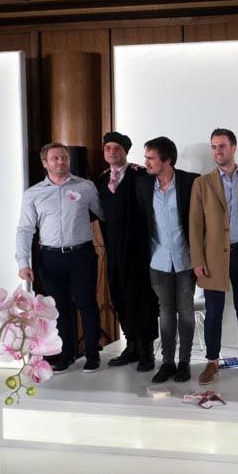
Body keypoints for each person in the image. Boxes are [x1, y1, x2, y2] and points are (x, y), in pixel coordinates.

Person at [16, 142, 104, 373]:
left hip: (82, 255)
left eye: (64, 157)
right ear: (45, 163)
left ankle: (92, 354)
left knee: (87, 304)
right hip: (50, 257)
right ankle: (67, 354)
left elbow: (104, 214)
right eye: (55, 158)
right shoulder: (33, 193)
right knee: (60, 307)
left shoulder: (85, 187)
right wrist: (23, 262)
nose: (61, 162)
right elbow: (25, 229)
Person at [190, 128, 238, 385]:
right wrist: (197, 259)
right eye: (214, 147)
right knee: (213, 313)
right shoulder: (202, 183)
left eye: (222, 146)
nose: (217, 151)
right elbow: (195, 225)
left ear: (233, 147)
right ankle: (212, 362)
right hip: (212, 258)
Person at [135, 137, 199, 383]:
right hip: (158, 260)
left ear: (167, 160)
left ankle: (184, 362)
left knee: (186, 312)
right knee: (166, 313)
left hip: (185, 260)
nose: (146, 163)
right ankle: (168, 362)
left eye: (151, 158)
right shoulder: (143, 185)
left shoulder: (190, 182)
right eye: (146, 158)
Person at [96, 131, 159, 373]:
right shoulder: (101, 180)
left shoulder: (140, 175)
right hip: (114, 249)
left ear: (125, 151)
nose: (111, 152)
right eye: (107, 148)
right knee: (120, 296)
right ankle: (131, 345)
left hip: (139, 249)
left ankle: (146, 350)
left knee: (141, 299)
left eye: (117, 148)